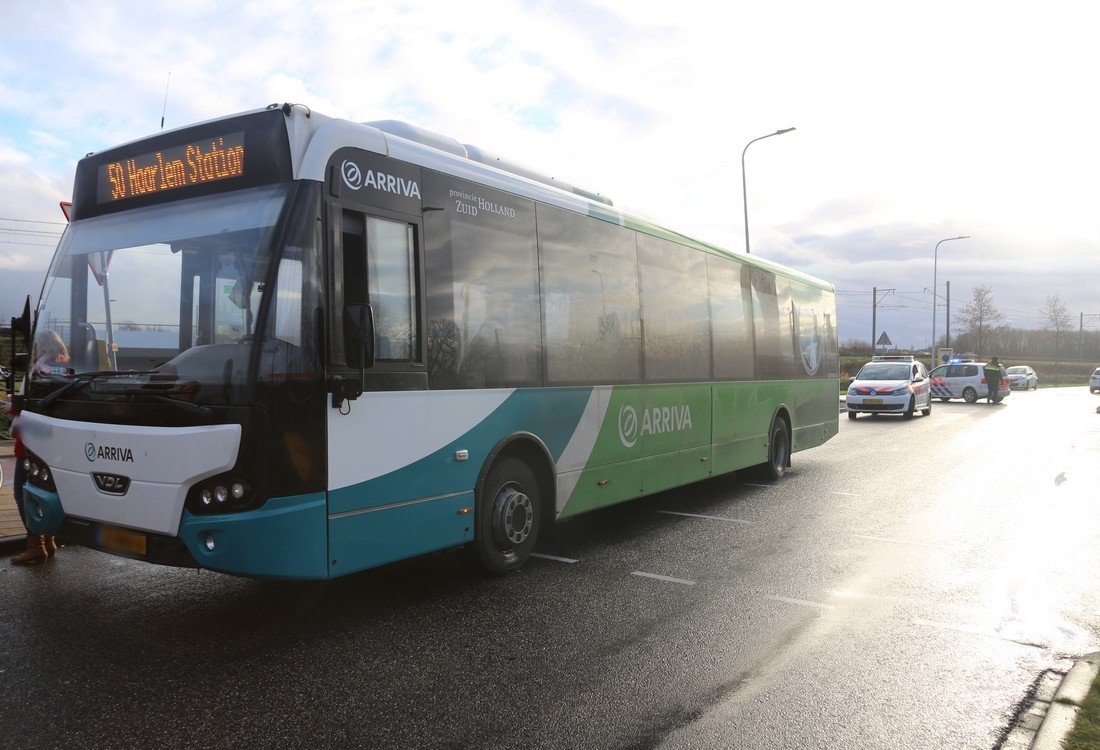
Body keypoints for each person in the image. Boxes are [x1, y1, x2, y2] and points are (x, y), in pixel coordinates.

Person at [2, 394, 58, 565]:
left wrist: (12, 408)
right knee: (44, 494)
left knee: (22, 496)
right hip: (45, 445)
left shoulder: (37, 372)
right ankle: (48, 541)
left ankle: (36, 546)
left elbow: (34, 405)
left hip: (29, 446)